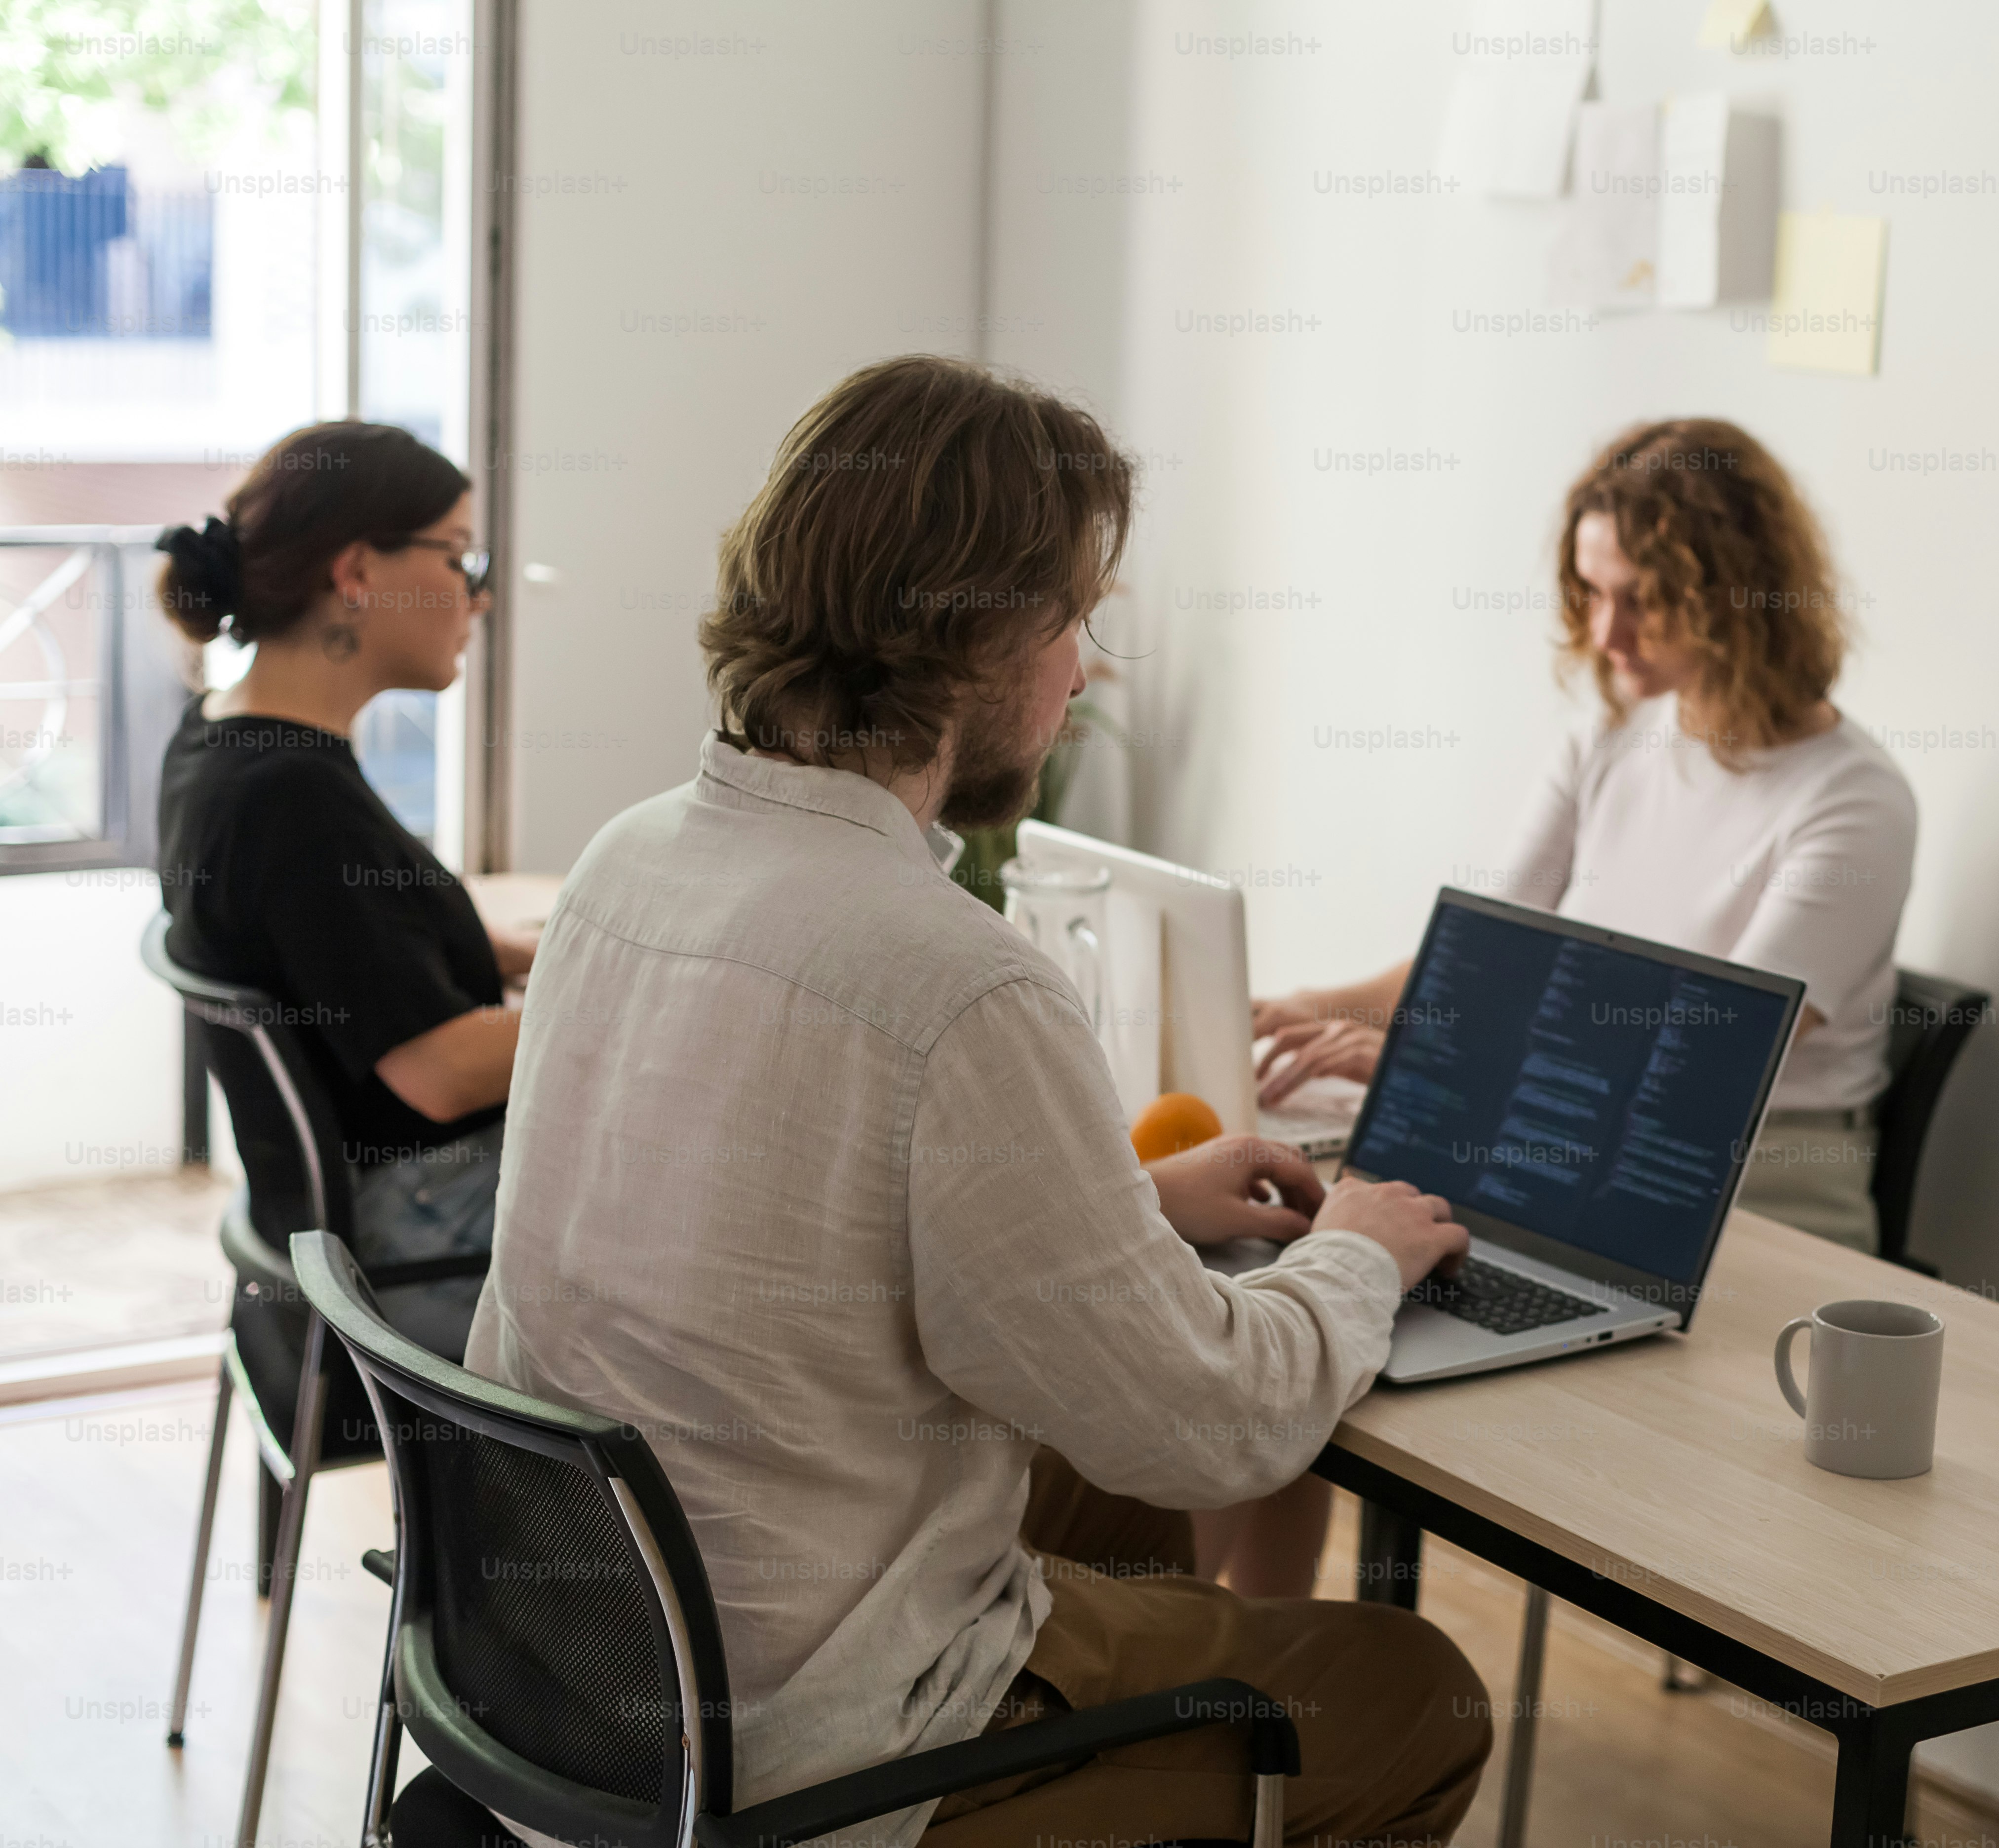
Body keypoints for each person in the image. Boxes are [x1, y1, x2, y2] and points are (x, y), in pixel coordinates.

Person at [465, 355, 1490, 1848]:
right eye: (1076, 619)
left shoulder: (629, 860)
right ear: (985, 634)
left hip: (581, 1664)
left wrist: (1121, 1208)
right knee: (1415, 1692)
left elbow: (778, 1232)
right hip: (797, 1747)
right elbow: (1209, 1427)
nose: (1087, 671)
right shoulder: (955, 980)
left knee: (1116, 1509)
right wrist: (1364, 1252)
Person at [1256, 417, 1918, 1255]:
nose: (1607, 636)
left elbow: (1707, 1070)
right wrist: (1315, 1010)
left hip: (1763, 1184)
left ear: (1736, 596)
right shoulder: (1608, 738)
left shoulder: (1855, 802)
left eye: (1643, 600)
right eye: (1593, 592)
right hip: (1571, 1143)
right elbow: (1488, 964)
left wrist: (1433, 1064)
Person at [155, 423, 522, 1356]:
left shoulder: (221, 738)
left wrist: (543, 948)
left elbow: (347, 947)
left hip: (324, 1228)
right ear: (358, 574)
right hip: (410, 1249)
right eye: (459, 557)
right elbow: (440, 1073)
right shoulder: (294, 798)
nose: (478, 597)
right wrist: (631, 994)